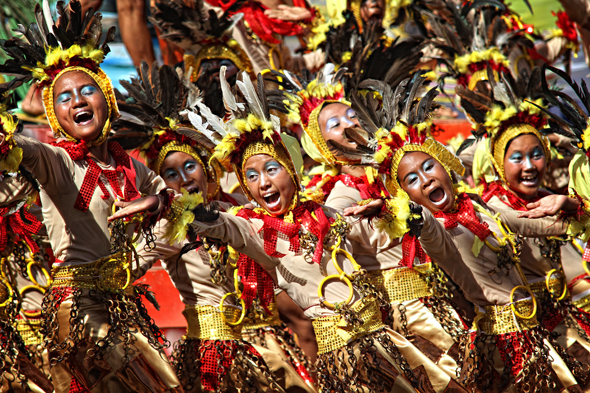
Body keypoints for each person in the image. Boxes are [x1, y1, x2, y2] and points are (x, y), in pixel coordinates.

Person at [337, 72, 589, 392]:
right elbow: (426, 228)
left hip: (538, 328)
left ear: (445, 165)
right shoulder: (437, 230)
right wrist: (396, 210)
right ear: (406, 195)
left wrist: (571, 207)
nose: (426, 180)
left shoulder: (478, 205)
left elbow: (530, 223)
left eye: (429, 167)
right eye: (411, 180)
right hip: (501, 345)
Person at [0, 3, 182, 391]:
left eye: (87, 90)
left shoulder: (128, 165)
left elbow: (171, 202)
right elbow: (23, 149)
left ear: (107, 99)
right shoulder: (59, 162)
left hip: (121, 303)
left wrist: (156, 203)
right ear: (53, 112)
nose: (78, 101)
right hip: (80, 308)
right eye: (64, 97)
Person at [111, 61, 316, 392]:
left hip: (260, 347)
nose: (185, 178)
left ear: (206, 169)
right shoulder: (168, 226)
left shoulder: (233, 210)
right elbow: (124, 272)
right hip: (210, 353)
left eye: (190, 166)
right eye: (171, 174)